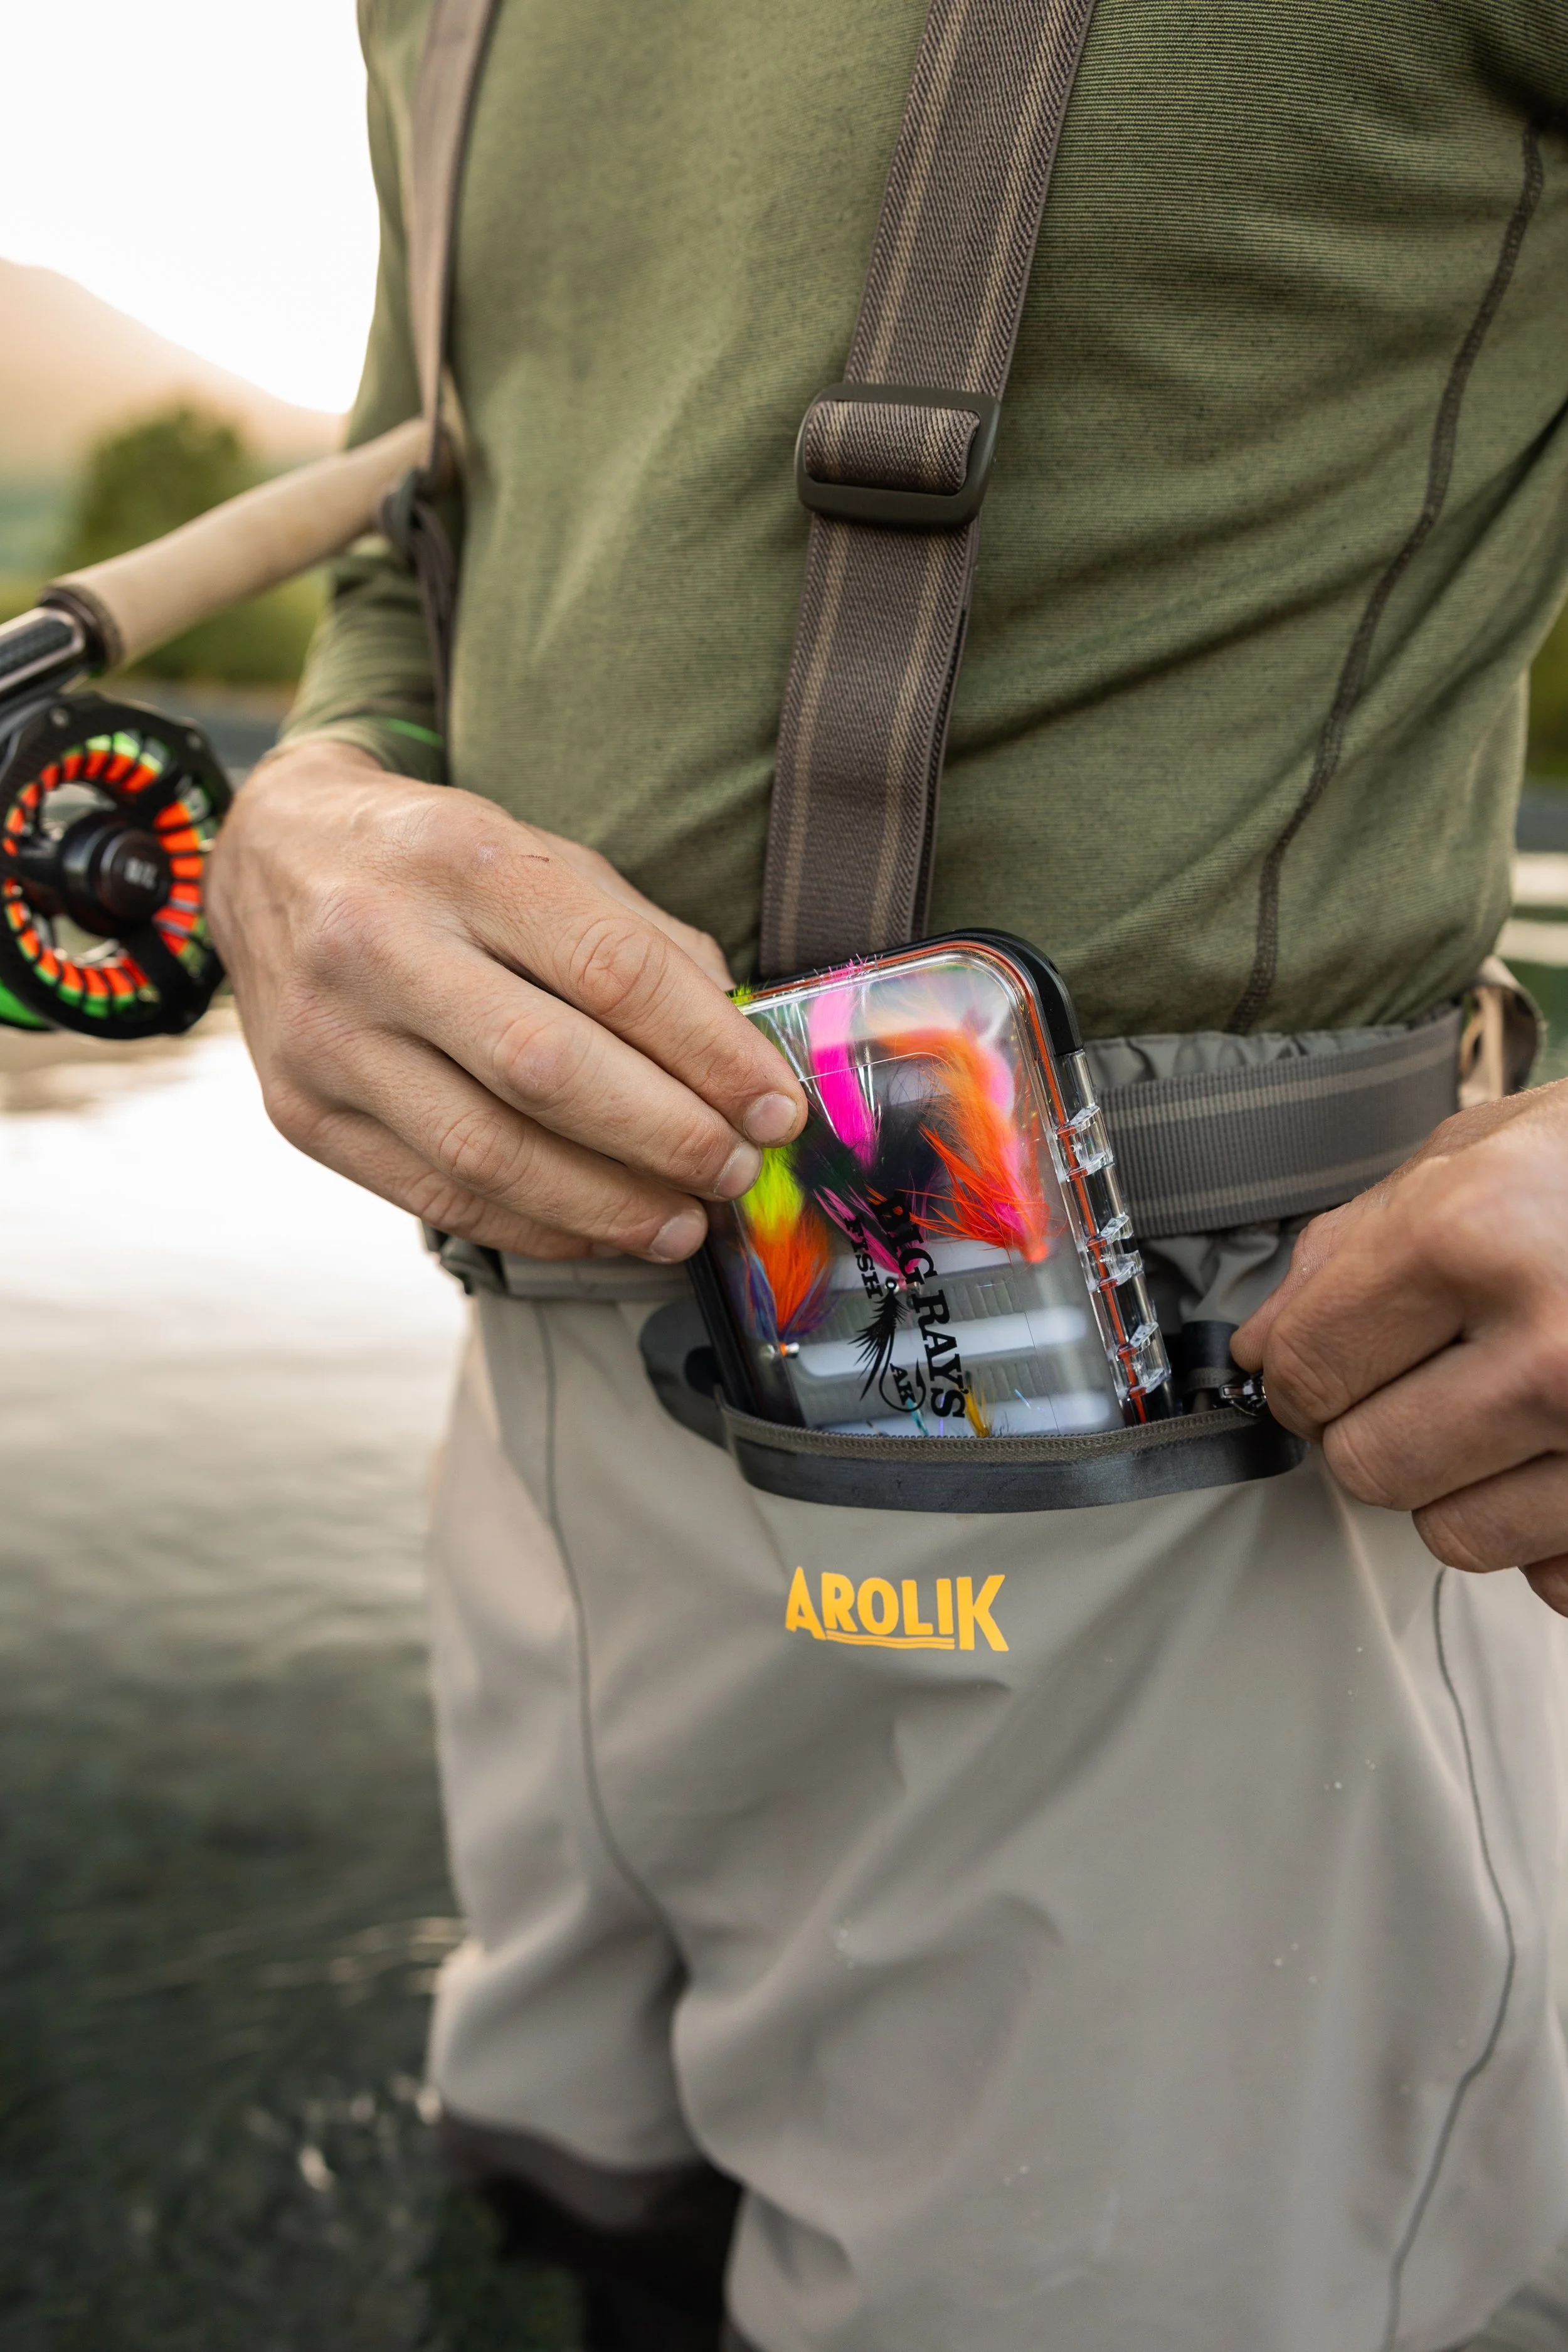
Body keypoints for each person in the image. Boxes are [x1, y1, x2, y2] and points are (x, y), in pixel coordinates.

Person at [207, 1, 1568, 2344]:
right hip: (530, 1438)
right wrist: (311, 809)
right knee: (549, 2227)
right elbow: (424, 520)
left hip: (1168, 1485)